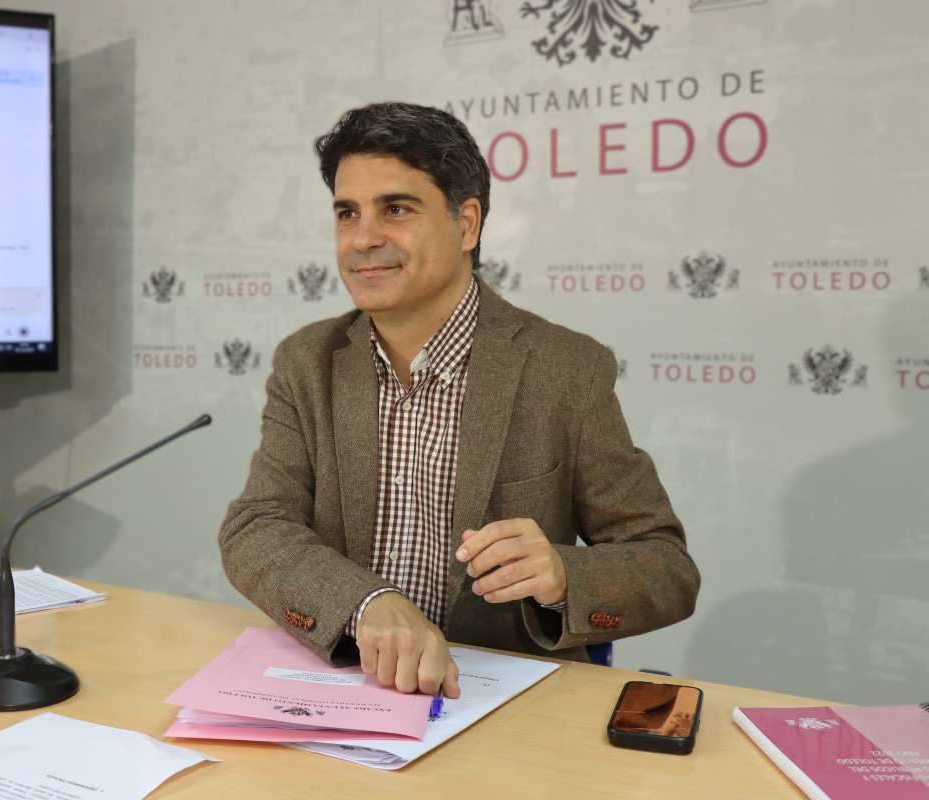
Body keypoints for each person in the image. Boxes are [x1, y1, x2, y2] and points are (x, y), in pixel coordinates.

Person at [219, 102, 699, 699]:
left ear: (466, 224)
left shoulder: (565, 369)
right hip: (350, 691)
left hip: (497, 704)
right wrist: (368, 603)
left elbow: (666, 567)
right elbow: (258, 526)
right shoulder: (307, 360)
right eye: (347, 213)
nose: (364, 238)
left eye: (395, 209)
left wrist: (561, 574)